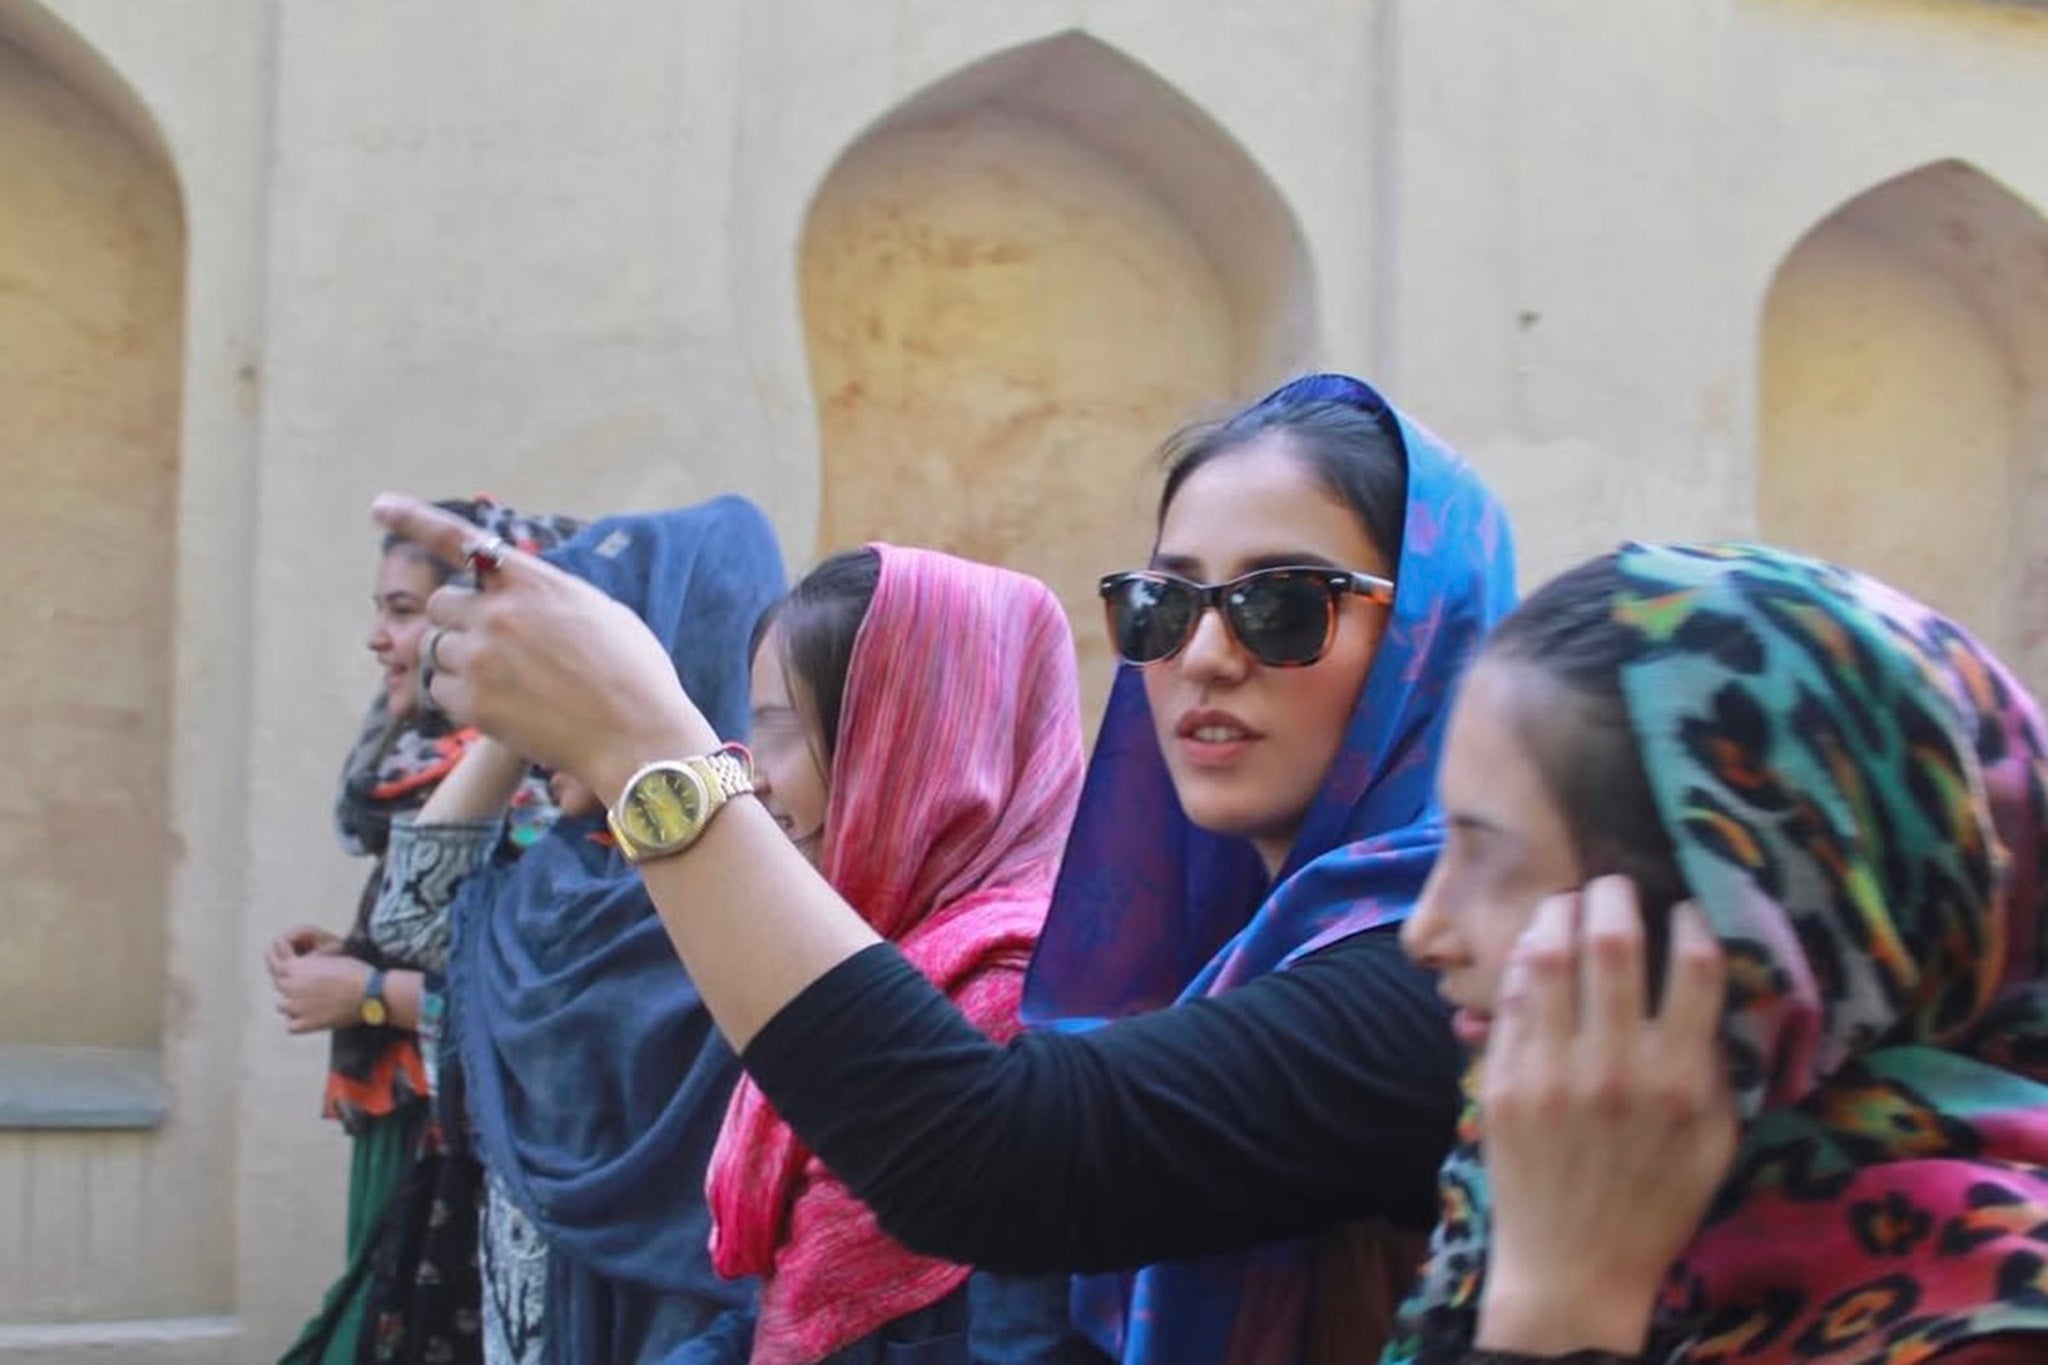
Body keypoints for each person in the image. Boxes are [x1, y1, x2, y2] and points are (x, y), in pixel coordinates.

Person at [372, 373, 1516, 1364]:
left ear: (1428, 631)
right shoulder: (1201, 953)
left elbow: (999, 1159)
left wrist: (644, 752)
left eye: (1279, 604)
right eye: (1163, 604)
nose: (1204, 656)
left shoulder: (1439, 963)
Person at [1392, 543, 2048, 1364]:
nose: (1423, 932)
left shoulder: (1988, 1312)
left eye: (1487, 855)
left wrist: (1562, 1312)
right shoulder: (1524, 1190)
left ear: (1749, 932)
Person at [378, 499, 786, 1365]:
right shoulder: (559, 877)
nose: (549, 721)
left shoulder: (752, 888)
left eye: (585, 680)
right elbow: (408, 920)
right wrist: (523, 722)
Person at [706, 544, 1085, 1364]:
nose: (751, 778)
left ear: (910, 754)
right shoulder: (870, 958)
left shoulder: (1015, 1005)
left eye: (779, 733)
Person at [271, 498, 578, 1365]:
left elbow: (546, 1008)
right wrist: (356, 954)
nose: (379, 636)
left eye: (406, 611)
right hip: (409, 1138)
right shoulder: (429, 773)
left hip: (475, 1170)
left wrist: (369, 995)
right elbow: (455, 941)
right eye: (384, 609)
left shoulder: (531, 787)